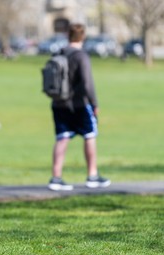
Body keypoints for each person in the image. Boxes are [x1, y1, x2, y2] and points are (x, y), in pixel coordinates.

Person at [48, 23, 111, 191]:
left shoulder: (58, 53)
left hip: (58, 103)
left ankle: (56, 177)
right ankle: (92, 175)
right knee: (89, 136)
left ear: (68, 35)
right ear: (82, 37)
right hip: (79, 104)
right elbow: (87, 83)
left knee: (62, 138)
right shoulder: (81, 56)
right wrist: (94, 103)